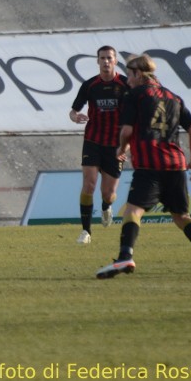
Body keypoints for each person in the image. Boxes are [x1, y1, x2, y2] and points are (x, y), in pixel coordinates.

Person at [96, 54, 191, 279]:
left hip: (149, 165)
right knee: (182, 216)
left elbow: (126, 131)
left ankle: (125, 256)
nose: (127, 79)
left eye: (130, 74)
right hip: (175, 165)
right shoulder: (175, 97)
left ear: (138, 73)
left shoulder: (135, 95)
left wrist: (120, 149)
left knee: (133, 211)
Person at [69, 45, 129, 244]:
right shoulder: (89, 85)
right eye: (102, 58)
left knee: (108, 193)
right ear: (97, 61)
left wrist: (127, 145)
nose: (105, 62)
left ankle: (106, 206)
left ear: (115, 61)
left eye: (109, 58)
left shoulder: (126, 84)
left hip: (116, 145)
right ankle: (86, 231)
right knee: (89, 184)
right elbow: (73, 110)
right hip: (93, 141)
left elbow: (136, 117)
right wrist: (75, 116)